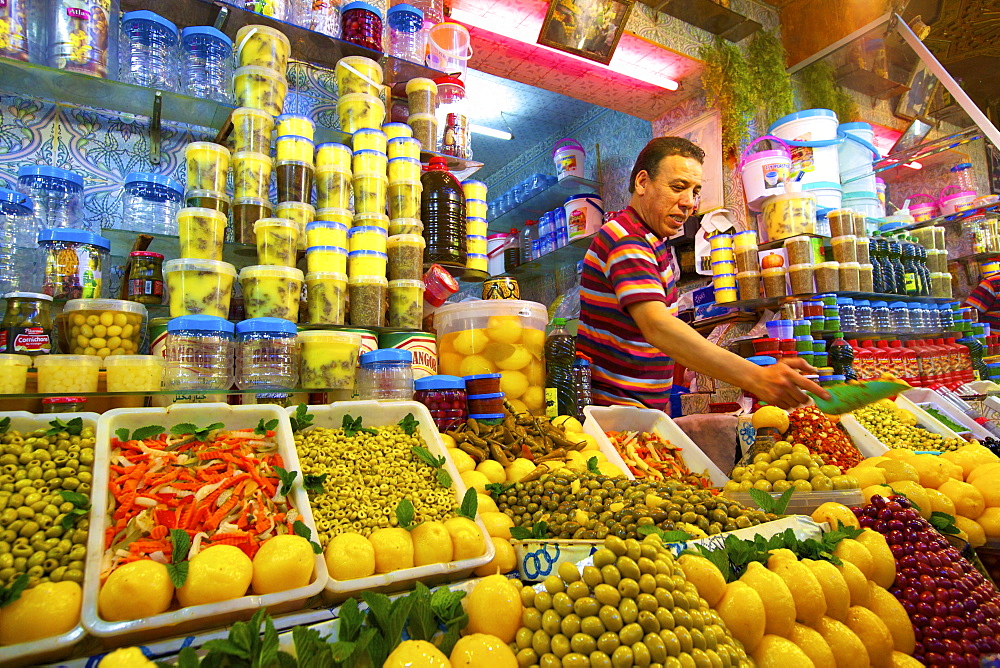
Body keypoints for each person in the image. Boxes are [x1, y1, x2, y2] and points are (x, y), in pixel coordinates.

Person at [577, 136, 828, 412]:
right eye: (677, 187)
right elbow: (657, 326)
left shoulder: (651, 240)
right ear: (642, 183)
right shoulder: (627, 240)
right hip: (615, 412)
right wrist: (755, 377)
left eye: (695, 191)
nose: (689, 203)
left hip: (638, 411)